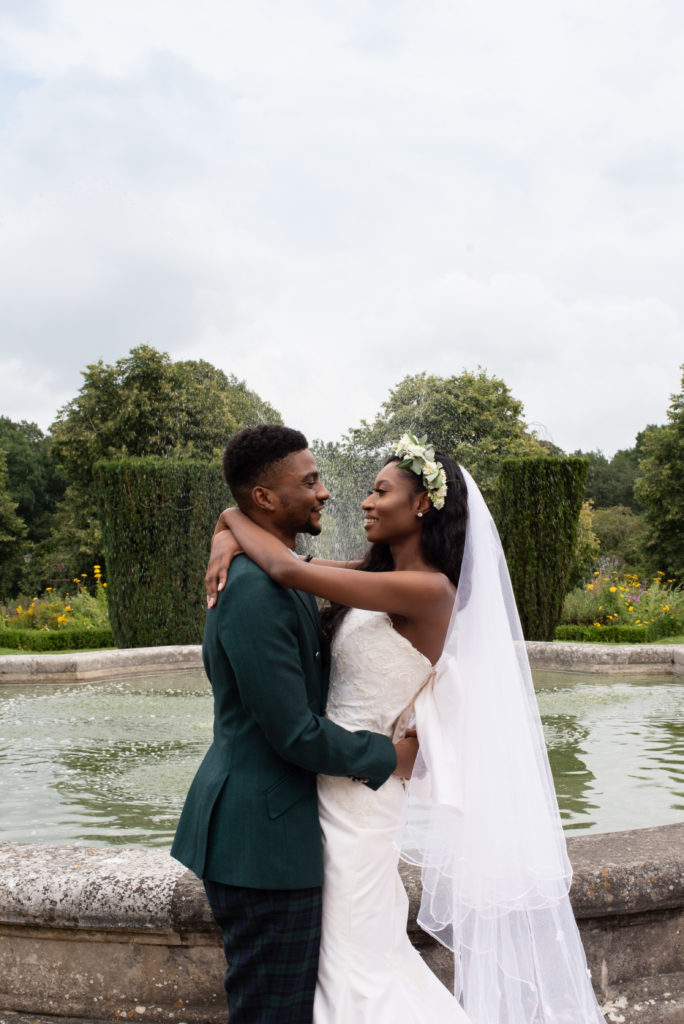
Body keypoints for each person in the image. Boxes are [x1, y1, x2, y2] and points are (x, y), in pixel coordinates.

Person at [206, 430, 607, 1024]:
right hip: (321, 791)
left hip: (360, 798)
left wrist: (228, 520)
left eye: (380, 490)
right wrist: (228, 523)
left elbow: (285, 569)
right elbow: (296, 565)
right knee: (349, 965)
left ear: (422, 503)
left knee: (357, 969)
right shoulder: (381, 575)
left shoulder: (427, 591)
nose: (363, 501)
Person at [171, 425, 419, 1024]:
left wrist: (227, 524)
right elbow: (294, 734)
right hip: (263, 843)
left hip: (275, 831)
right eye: (308, 482)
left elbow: (301, 567)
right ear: (265, 499)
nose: (325, 493)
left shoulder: (280, 574)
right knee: (271, 1013)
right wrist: (392, 758)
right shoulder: (255, 592)